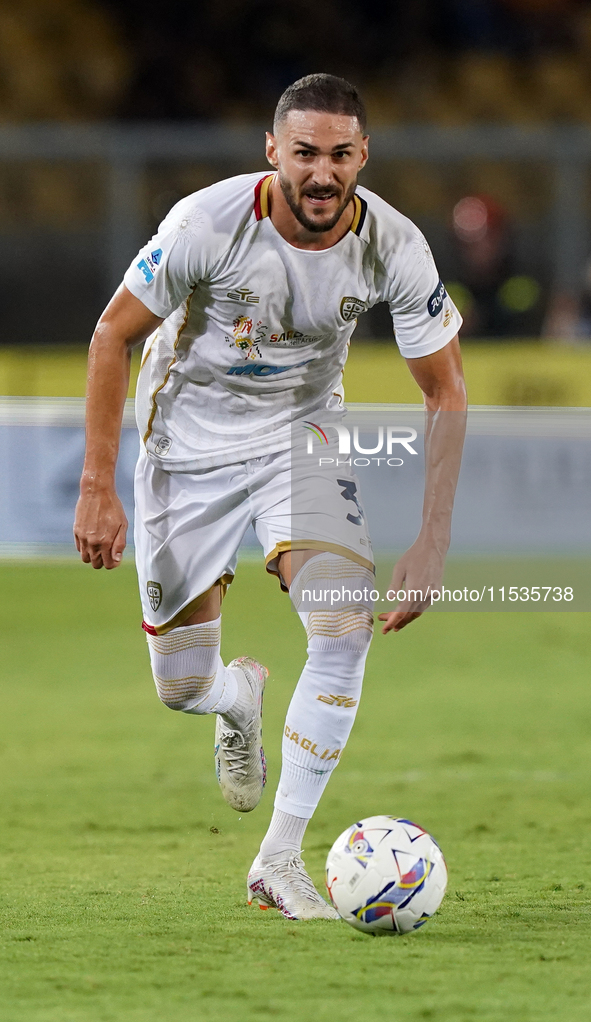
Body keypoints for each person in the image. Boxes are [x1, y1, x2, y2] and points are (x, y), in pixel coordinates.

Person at [74, 73, 467, 921]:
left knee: (340, 619)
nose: (321, 174)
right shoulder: (206, 223)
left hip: (301, 439)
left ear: (362, 155)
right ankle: (234, 699)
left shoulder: (395, 247)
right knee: (180, 687)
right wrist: (97, 485)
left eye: (338, 155)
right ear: (272, 153)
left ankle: (278, 859)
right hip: (185, 451)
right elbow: (113, 334)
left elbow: (446, 391)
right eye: (304, 154)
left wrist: (432, 540)